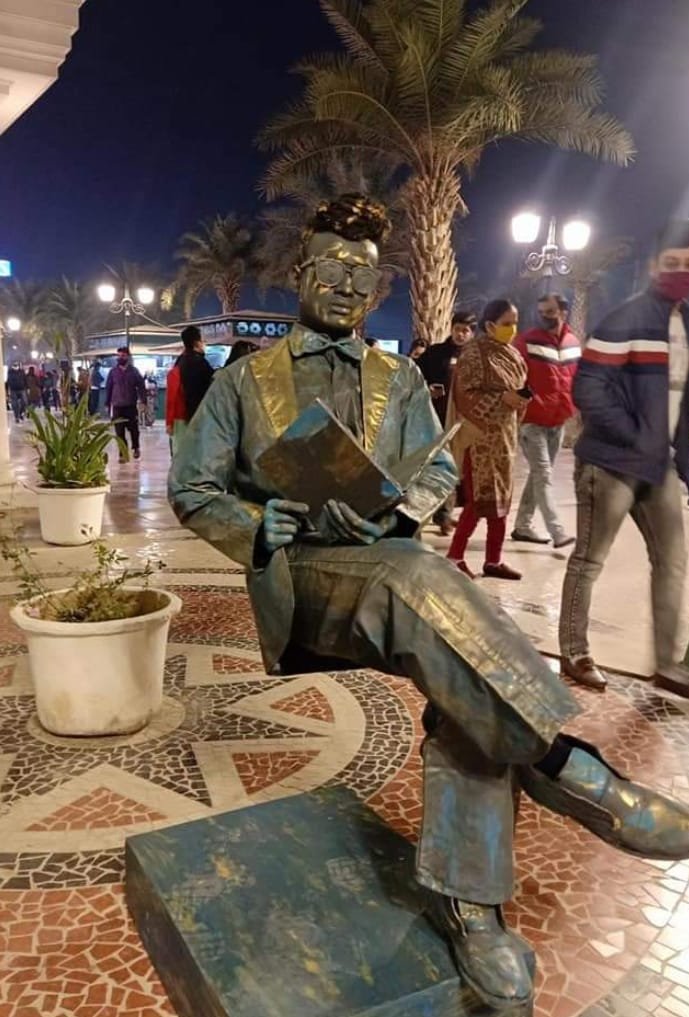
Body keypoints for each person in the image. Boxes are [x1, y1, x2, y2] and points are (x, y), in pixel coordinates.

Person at [169, 194, 689, 1012]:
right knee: (420, 584)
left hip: (389, 563)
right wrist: (257, 523)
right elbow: (192, 488)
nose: (348, 284)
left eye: (363, 274)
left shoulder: (400, 377)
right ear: (301, 272)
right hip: (304, 577)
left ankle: (468, 906)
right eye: (332, 267)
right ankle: (565, 766)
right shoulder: (243, 381)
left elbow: (436, 469)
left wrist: (398, 509)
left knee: (454, 665)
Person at [560, 219, 689, 696]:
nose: (679, 273)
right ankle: (574, 651)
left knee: (672, 562)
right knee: (589, 560)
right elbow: (588, 387)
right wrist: (635, 435)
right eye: (671, 264)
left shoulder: (684, 324)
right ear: (653, 266)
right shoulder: (626, 319)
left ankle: (668, 665)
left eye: (688, 266)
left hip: (659, 467)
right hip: (610, 463)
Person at [447, 300, 528, 580]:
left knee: (502, 500)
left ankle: (493, 561)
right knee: (478, 500)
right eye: (507, 323)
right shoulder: (474, 354)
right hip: (479, 438)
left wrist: (520, 399)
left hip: (505, 438)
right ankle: (454, 557)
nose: (512, 329)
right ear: (490, 325)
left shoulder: (512, 355)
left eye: (515, 323)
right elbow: (465, 395)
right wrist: (501, 398)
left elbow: (519, 386)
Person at [512, 295, 580, 548]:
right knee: (543, 475)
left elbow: (576, 377)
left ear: (563, 312)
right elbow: (515, 377)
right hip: (532, 421)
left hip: (558, 420)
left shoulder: (573, 342)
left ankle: (523, 526)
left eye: (550, 311)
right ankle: (557, 531)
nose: (544, 316)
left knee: (538, 475)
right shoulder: (527, 341)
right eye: (541, 311)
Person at [418, 310, 477, 535]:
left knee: (456, 468)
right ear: (451, 329)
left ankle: (445, 514)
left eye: (466, 331)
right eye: (457, 329)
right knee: (437, 467)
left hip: (464, 422)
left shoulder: (476, 356)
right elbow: (415, 377)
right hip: (436, 419)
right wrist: (428, 389)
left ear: (472, 333)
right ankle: (437, 514)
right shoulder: (435, 353)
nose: (461, 334)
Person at [105, 347, 146, 462]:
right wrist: (107, 403)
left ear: (128, 356)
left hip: (130, 405)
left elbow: (141, 386)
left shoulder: (134, 371)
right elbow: (109, 388)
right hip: (117, 406)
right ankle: (122, 453)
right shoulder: (113, 372)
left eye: (122, 356)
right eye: (118, 356)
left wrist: (143, 401)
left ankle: (136, 448)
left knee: (134, 430)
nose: (120, 358)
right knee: (119, 432)